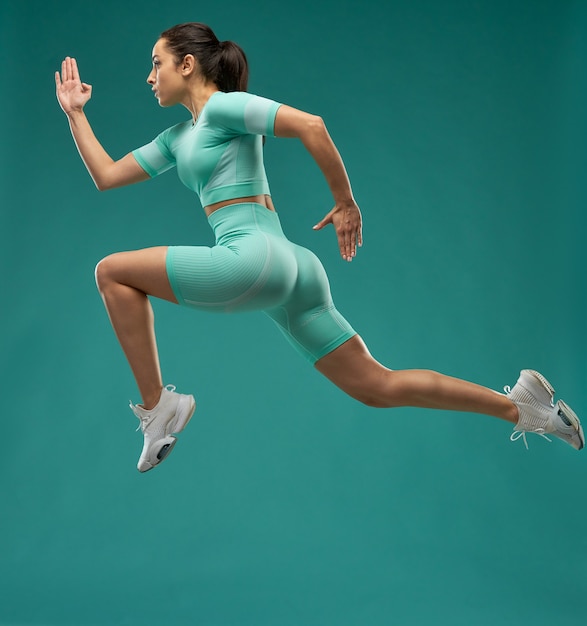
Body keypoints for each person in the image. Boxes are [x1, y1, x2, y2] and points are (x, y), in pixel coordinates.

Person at [55, 22, 583, 472]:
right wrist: (76, 113)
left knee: (112, 273)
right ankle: (524, 409)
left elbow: (311, 125)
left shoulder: (224, 109)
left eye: (157, 64)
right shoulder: (177, 137)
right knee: (377, 385)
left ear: (188, 64)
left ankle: (159, 408)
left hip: (251, 259)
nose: (149, 77)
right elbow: (105, 175)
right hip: (292, 268)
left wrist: (345, 202)